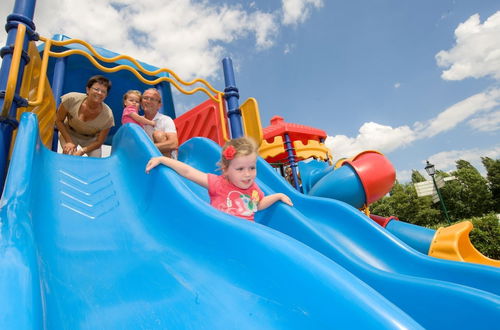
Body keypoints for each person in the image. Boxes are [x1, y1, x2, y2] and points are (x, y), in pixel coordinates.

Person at [145, 137, 293, 221]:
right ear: (226, 170)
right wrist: (163, 160)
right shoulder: (218, 183)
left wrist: (277, 196)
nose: (247, 174)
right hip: (221, 230)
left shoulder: (254, 189)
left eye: (252, 168)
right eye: (240, 169)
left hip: (247, 235)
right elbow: (189, 172)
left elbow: (258, 205)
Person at [55, 75, 115, 157]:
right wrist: (69, 141)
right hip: (70, 132)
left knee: (95, 161)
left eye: (103, 91)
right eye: (96, 89)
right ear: (88, 89)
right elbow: (58, 121)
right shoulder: (71, 99)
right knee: (69, 153)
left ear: (106, 95)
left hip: (91, 139)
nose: (99, 93)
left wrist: (82, 151)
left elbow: (99, 142)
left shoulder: (108, 115)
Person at [141, 88, 178, 157]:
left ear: (159, 105)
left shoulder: (166, 120)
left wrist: (147, 147)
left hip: (166, 159)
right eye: (145, 98)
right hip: (146, 159)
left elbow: (173, 143)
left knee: (158, 135)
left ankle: (166, 166)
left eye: (152, 99)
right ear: (141, 102)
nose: (148, 101)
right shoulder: (138, 121)